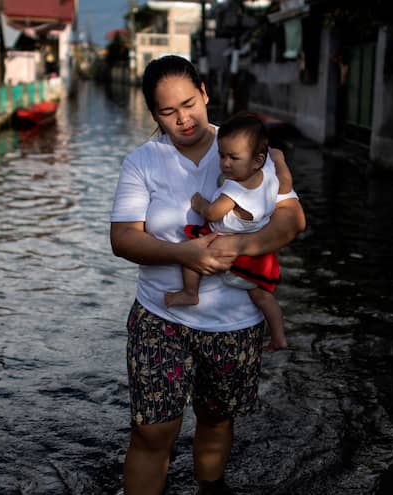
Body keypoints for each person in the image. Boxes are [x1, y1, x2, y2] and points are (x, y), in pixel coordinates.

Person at [110, 55, 306, 495]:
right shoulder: (142, 162)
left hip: (233, 322)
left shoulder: (247, 145)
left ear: (204, 93)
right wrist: (185, 253)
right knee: (151, 431)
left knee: (216, 421)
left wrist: (239, 245)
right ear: (154, 115)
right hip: (160, 316)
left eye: (188, 103)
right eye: (167, 111)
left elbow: (292, 221)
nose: (183, 119)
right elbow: (123, 239)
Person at [164, 112, 293, 353]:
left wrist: (200, 203)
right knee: (263, 298)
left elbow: (213, 213)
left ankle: (190, 292)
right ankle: (279, 337)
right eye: (222, 155)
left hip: (229, 250)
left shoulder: (234, 189)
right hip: (257, 258)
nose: (225, 163)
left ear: (256, 160)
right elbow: (286, 184)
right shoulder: (268, 176)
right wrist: (280, 160)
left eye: (234, 158)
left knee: (191, 248)